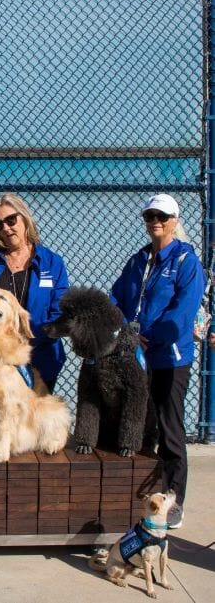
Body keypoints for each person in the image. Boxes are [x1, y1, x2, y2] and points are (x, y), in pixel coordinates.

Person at [111, 193, 206, 529]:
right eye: (150, 216)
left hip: (169, 357)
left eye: (162, 216)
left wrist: (151, 335)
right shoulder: (139, 260)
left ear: (175, 220)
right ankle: (140, 493)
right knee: (138, 420)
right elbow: (117, 296)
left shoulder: (185, 262)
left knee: (169, 428)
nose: (156, 222)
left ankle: (174, 499)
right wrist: (125, 330)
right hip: (136, 353)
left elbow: (182, 312)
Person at [0, 193, 69, 391]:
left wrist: (26, 338)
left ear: (25, 218)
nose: (6, 228)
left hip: (40, 359)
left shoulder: (52, 262)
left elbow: (59, 315)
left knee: (33, 419)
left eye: (11, 220)